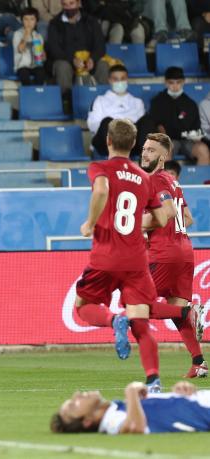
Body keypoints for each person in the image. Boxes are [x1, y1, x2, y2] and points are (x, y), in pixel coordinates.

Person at [75, 118, 169, 391]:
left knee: (82, 307)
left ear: (108, 141)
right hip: (136, 260)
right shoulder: (144, 177)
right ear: (133, 145)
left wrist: (91, 223)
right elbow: (162, 219)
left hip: (105, 257)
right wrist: (133, 224)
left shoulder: (100, 167)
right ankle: (153, 380)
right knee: (141, 322)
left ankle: (114, 320)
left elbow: (102, 189)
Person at [140, 133, 206, 378]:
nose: (145, 153)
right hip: (185, 252)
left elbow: (167, 213)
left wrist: (140, 227)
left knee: (140, 305)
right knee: (176, 310)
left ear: (163, 156)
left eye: (151, 150)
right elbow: (186, 218)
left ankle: (188, 312)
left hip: (164, 253)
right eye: (144, 149)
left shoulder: (155, 180)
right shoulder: (172, 181)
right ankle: (198, 362)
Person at [51, 380, 210, 434]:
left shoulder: (121, 408)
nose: (77, 395)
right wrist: (131, 391)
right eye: (73, 405)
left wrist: (181, 392)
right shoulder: (112, 421)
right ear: (86, 421)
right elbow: (135, 427)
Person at [87, 64, 154, 157]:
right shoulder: (100, 100)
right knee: (107, 121)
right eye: (115, 79)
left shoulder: (137, 102)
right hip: (107, 145)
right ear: (109, 80)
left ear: (127, 80)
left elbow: (142, 130)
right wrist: (118, 128)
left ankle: (146, 159)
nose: (119, 82)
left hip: (131, 143)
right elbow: (93, 125)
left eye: (123, 78)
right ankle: (117, 155)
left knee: (148, 121)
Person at [149, 67, 210, 165]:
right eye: (171, 83)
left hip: (188, 141)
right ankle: (166, 180)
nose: (175, 86)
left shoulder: (190, 104)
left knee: (203, 150)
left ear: (183, 82)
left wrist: (196, 136)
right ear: (165, 82)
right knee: (164, 151)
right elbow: (156, 125)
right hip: (169, 140)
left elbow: (196, 127)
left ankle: (202, 180)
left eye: (178, 82)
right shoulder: (157, 102)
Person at [47, 0, 108, 93]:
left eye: (71, 3)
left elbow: (100, 45)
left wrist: (93, 59)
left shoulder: (91, 21)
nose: (68, 7)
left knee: (103, 65)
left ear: (78, 3)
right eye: (65, 4)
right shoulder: (54, 24)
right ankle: (66, 101)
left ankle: (103, 99)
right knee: (62, 67)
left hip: (89, 61)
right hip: (66, 61)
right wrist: (72, 59)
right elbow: (54, 49)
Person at [12, 7, 46, 85]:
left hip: (35, 65)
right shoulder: (17, 34)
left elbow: (42, 56)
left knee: (41, 73)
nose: (29, 22)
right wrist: (26, 36)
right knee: (24, 75)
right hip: (22, 66)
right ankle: (28, 94)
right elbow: (20, 49)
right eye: (26, 19)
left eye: (32, 19)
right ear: (22, 21)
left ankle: (38, 93)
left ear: (36, 22)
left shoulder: (38, 36)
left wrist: (43, 55)